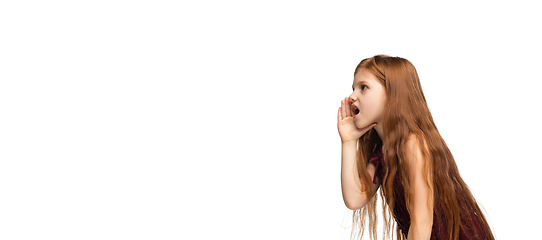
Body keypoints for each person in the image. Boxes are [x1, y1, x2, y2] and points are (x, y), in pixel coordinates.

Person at [337, 55, 495, 240]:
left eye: (363, 87)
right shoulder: (383, 153)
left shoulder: (413, 144)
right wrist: (348, 142)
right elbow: (355, 199)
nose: (352, 96)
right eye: (354, 88)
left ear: (392, 93)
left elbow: (422, 223)